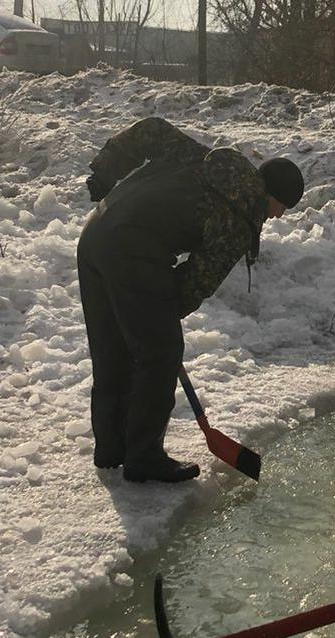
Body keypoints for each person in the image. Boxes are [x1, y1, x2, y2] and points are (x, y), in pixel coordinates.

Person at [78, 118, 304, 483]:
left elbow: (150, 129)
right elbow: (199, 280)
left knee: (111, 347)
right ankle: (143, 456)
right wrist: (163, 314)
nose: (277, 216)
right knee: (161, 353)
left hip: (95, 233)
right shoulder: (243, 212)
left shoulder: (203, 157)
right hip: (133, 250)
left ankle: (111, 447)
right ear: (273, 197)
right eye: (282, 207)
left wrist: (106, 171)